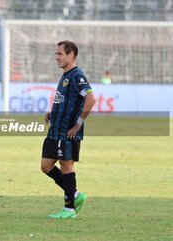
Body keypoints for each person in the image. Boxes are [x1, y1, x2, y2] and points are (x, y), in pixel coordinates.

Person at [41, 40, 96, 219]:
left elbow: (91, 98)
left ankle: (69, 209)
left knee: (66, 165)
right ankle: (75, 195)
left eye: (60, 54)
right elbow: (65, 100)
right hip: (55, 129)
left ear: (70, 55)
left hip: (67, 131)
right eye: (56, 54)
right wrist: (53, 112)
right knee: (46, 166)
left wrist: (78, 123)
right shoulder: (65, 75)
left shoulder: (76, 75)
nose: (56, 57)